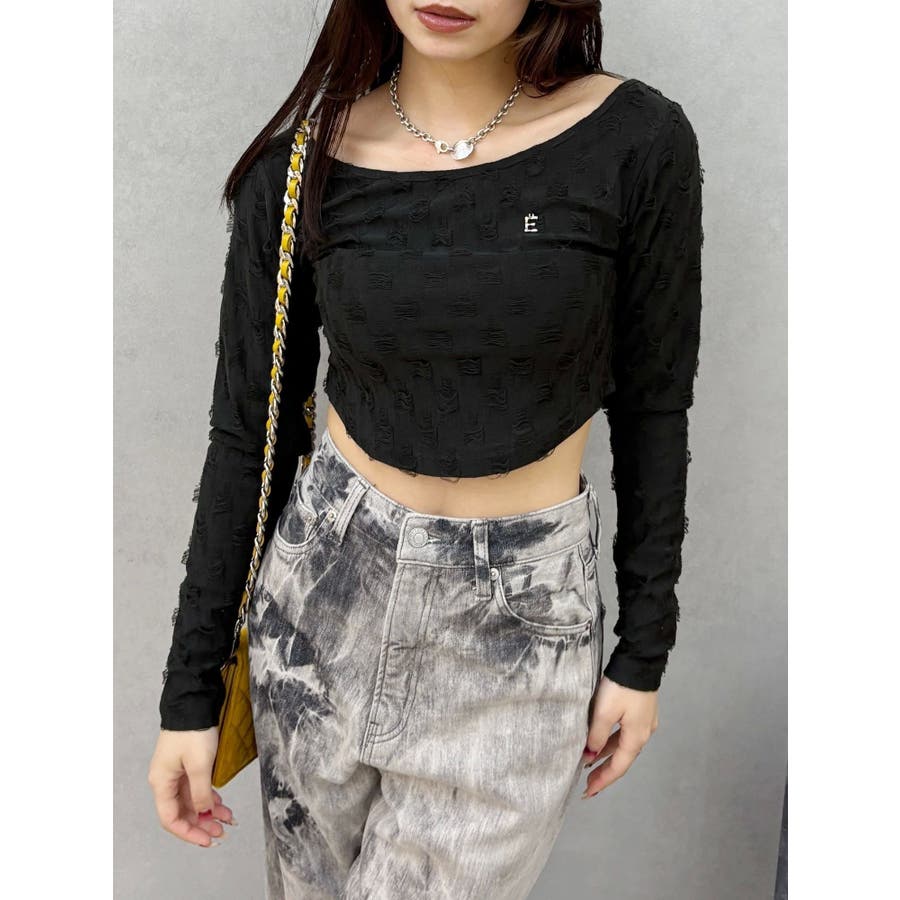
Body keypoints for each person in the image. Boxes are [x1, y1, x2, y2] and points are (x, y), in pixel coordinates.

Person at [147, 1, 704, 897]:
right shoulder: (300, 169)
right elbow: (249, 435)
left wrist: (645, 650)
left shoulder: (633, 141)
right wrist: (190, 692)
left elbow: (654, 407)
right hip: (324, 597)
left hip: (517, 625)